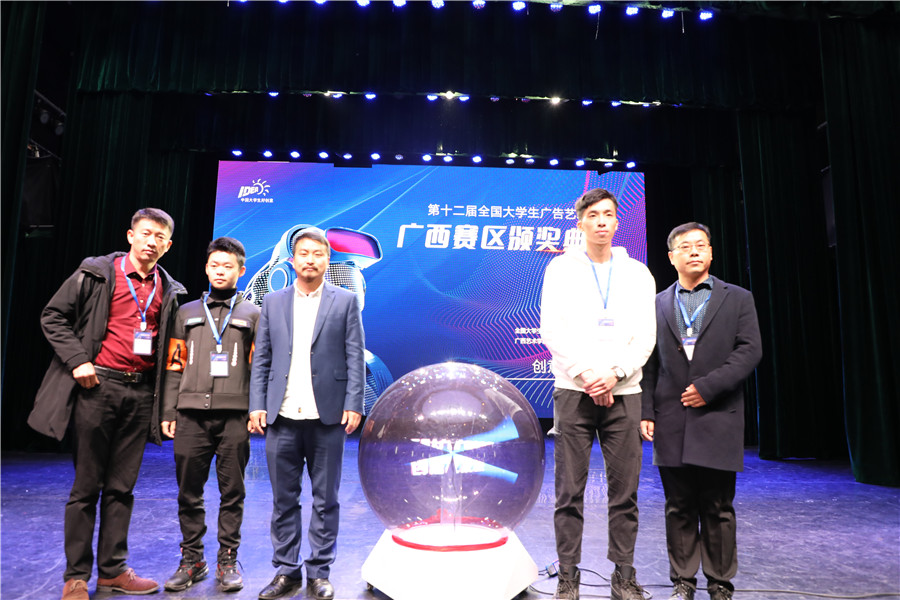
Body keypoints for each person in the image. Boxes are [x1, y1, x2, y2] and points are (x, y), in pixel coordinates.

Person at [28, 208, 186, 600]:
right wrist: (77, 360)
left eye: (159, 237)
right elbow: (53, 316)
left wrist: (166, 406)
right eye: (145, 233)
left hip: (141, 394)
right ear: (130, 235)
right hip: (97, 387)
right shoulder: (96, 273)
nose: (151, 242)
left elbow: (172, 351)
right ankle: (76, 577)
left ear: (168, 246)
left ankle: (113, 571)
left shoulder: (170, 290)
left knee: (122, 488)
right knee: (86, 487)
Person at [540, 188, 657, 600]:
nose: (601, 221)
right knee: (568, 492)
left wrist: (614, 374)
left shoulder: (638, 273)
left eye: (608, 214)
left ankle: (623, 575)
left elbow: (646, 335)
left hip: (625, 391)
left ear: (617, 222)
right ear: (581, 223)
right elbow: (552, 329)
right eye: (593, 215)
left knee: (624, 493)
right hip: (574, 390)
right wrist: (590, 375)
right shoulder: (560, 270)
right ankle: (568, 576)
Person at [640, 222, 762, 600]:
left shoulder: (737, 298)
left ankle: (720, 583)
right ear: (671, 257)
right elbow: (649, 362)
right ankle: (683, 582)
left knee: (718, 506)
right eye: (685, 246)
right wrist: (646, 411)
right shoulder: (657, 303)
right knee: (677, 506)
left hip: (718, 415)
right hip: (671, 417)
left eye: (700, 245)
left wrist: (708, 388)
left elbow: (749, 351)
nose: (693, 251)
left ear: (710, 253)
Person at [249, 226, 365, 600]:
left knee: (326, 500)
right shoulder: (273, 302)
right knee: (283, 500)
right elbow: (262, 358)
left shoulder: (344, 301)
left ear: (327, 260)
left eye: (318, 254)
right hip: (281, 416)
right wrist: (257, 404)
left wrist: (354, 403)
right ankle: (286, 571)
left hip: (327, 416)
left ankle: (319, 571)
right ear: (293, 259)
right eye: (304, 253)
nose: (310, 260)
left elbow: (354, 355)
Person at [160, 237, 260, 593]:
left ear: (240, 271)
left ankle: (227, 560)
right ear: (206, 268)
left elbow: (258, 368)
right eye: (215, 265)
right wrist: (169, 409)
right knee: (188, 492)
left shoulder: (253, 314)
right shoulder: (185, 312)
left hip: (234, 417)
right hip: (190, 416)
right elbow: (174, 364)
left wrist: (255, 409)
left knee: (233, 492)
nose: (220, 271)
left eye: (228, 266)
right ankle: (192, 560)